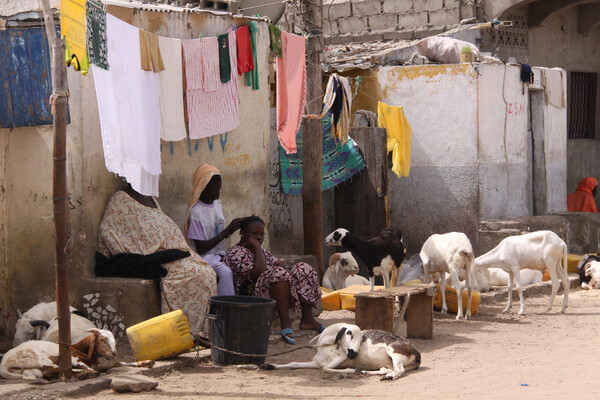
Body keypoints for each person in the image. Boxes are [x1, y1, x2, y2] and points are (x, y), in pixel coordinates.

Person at [97, 183, 217, 337]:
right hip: (155, 257)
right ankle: (187, 333)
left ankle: (200, 333)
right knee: (199, 275)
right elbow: (109, 230)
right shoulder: (120, 200)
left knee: (207, 271)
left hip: (173, 253)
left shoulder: (151, 199)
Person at [224, 216, 324, 344]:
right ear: (243, 233)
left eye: (261, 234)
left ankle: (308, 319)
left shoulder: (263, 252)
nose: (259, 237)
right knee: (278, 274)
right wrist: (257, 247)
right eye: (254, 234)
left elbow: (278, 263)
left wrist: (289, 270)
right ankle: (285, 322)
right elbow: (258, 273)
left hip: (269, 289)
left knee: (303, 268)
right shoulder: (235, 252)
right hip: (249, 296)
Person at [185, 163, 245, 296]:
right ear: (203, 188)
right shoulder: (196, 212)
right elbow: (200, 248)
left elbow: (219, 231)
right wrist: (227, 230)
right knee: (226, 272)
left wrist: (234, 228)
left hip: (219, 254)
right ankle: (225, 306)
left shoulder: (217, 204)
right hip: (203, 257)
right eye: (214, 190)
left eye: (219, 189)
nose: (218, 193)